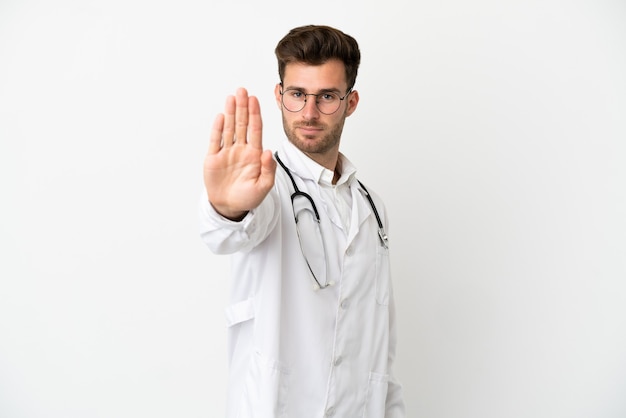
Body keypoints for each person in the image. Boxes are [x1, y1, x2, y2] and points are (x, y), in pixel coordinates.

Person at [199, 24, 405, 418]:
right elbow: (224, 233)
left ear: (351, 101)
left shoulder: (372, 210)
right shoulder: (267, 190)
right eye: (297, 94)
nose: (309, 112)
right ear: (279, 96)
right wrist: (227, 208)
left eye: (327, 96)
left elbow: (382, 348)